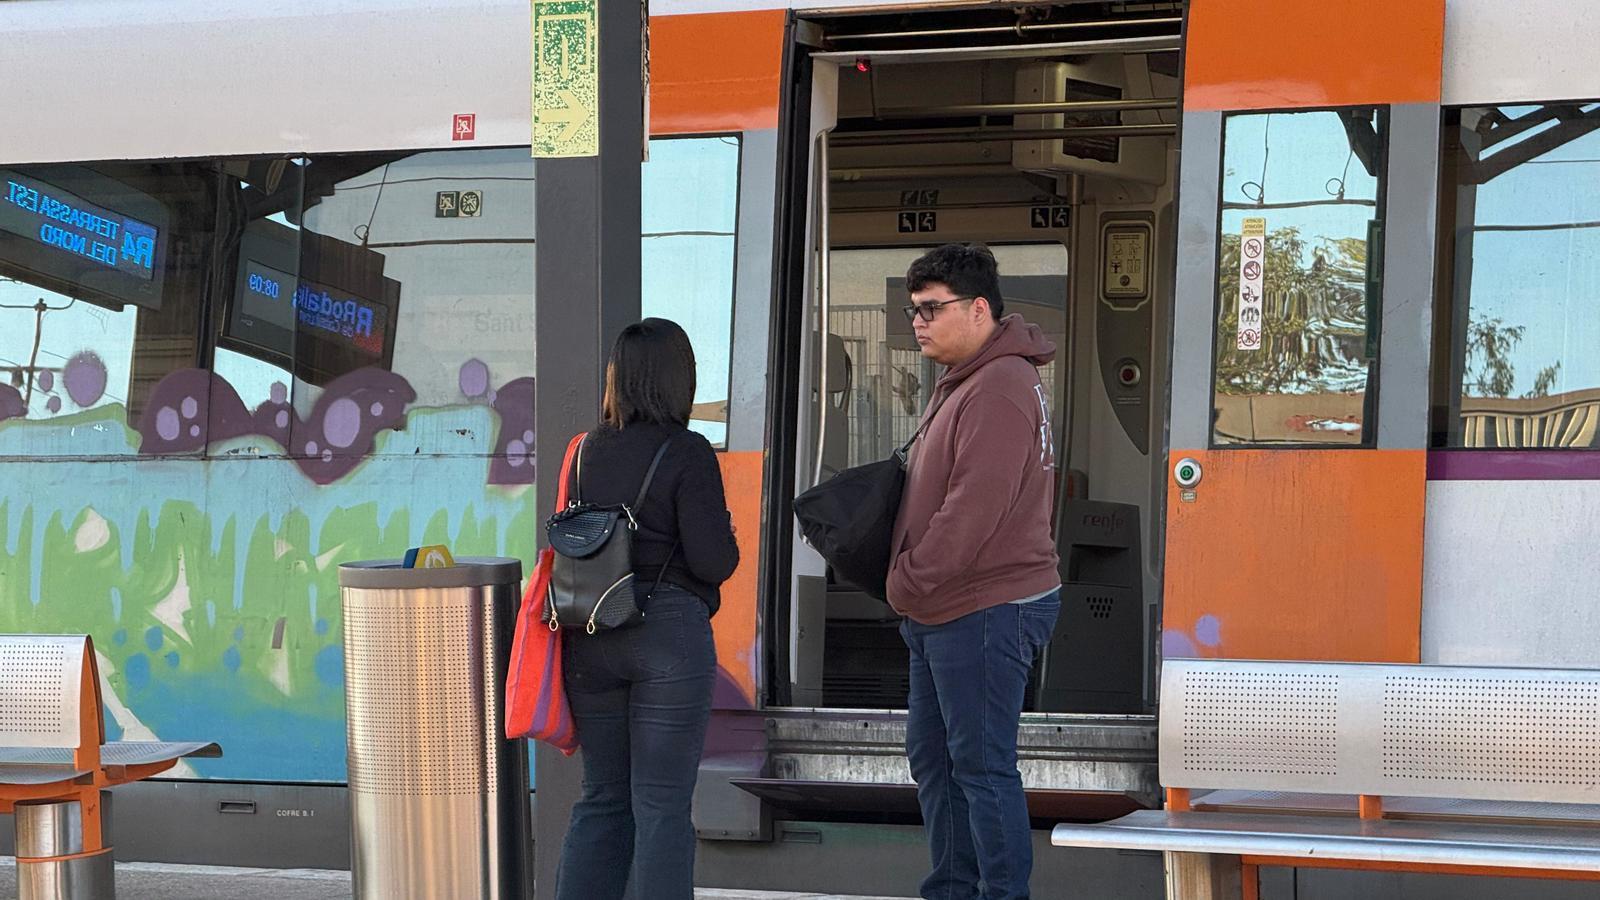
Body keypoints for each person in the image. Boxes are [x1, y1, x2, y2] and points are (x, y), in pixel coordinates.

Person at [886, 243, 1063, 900]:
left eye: (932, 309)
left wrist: (906, 580)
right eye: (914, 311)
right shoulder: (969, 380)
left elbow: (973, 509)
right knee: (937, 762)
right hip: (947, 606)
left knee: (982, 768)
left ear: (979, 307)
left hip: (986, 606)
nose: (919, 323)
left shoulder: (999, 387)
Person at [555, 318, 740, 900]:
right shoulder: (687, 452)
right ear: (679, 379)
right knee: (660, 806)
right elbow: (714, 561)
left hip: (591, 633)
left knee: (602, 797)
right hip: (667, 635)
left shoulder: (584, 450)